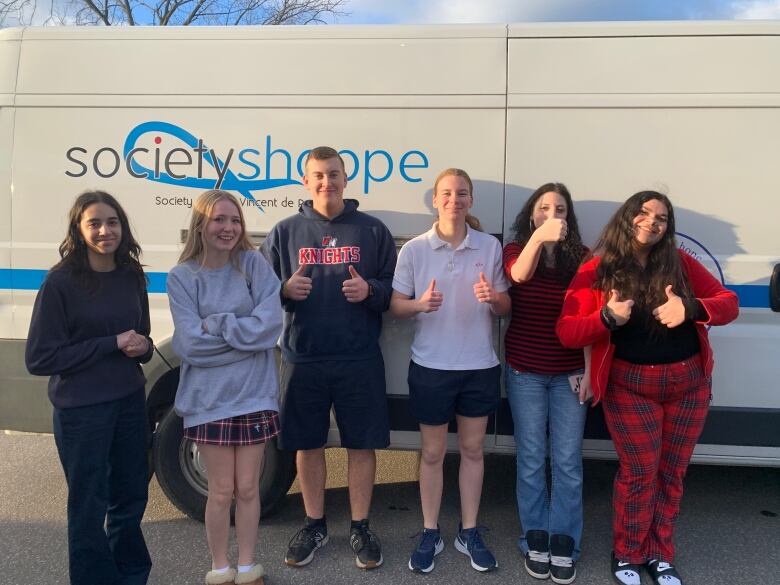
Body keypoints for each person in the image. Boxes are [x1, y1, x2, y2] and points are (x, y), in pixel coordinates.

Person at [556, 191, 739, 585]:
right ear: (627, 217)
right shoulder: (598, 268)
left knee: (671, 474)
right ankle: (627, 552)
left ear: (667, 227)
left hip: (688, 383)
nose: (651, 222)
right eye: (644, 213)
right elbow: (567, 330)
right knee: (640, 472)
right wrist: (606, 317)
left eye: (661, 217)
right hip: (631, 385)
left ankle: (659, 555)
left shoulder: (680, 263)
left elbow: (728, 303)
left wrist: (690, 308)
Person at [261, 146, 396, 570]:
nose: (326, 182)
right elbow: (260, 293)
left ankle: (360, 526)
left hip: (359, 357)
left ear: (345, 178)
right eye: (318, 175)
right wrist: (283, 292)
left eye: (333, 174)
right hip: (303, 357)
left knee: (361, 444)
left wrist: (370, 291)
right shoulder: (284, 232)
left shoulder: (372, 231)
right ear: (306, 181)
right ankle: (314, 523)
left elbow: (396, 289)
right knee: (306, 443)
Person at [25, 191, 153, 585]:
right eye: (94, 223)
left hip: (129, 403)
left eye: (112, 222)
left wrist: (143, 346)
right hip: (82, 412)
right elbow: (40, 358)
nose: (105, 231)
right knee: (87, 506)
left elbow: (143, 337)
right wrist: (110, 343)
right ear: (78, 231)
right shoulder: (60, 282)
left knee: (130, 498)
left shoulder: (131, 274)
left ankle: (132, 575)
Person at [390, 168, 510, 574]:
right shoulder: (415, 250)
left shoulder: (489, 247)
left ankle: (469, 531)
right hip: (431, 367)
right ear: (436, 200)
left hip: (478, 366)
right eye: (446, 193)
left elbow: (505, 306)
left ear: (470, 200)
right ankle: (430, 531)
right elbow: (395, 305)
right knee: (433, 453)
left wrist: (494, 298)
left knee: (474, 451)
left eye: (461, 193)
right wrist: (418, 305)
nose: (454, 200)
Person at [167, 189, 283, 585]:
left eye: (234, 220)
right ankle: (220, 567)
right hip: (208, 400)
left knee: (249, 488)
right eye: (219, 220)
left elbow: (269, 328)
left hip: (254, 395)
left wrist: (217, 324)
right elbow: (188, 345)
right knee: (220, 491)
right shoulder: (182, 277)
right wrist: (245, 339)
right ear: (201, 223)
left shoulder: (254, 264)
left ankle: (248, 566)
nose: (228, 228)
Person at [503, 183, 590, 584]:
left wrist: (590, 372)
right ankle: (534, 536)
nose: (553, 214)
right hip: (526, 372)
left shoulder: (583, 260)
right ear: (531, 214)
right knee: (532, 458)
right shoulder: (516, 251)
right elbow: (518, 278)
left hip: (571, 373)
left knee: (568, 461)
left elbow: (591, 322)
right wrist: (539, 238)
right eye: (544, 208)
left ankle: (565, 541)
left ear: (570, 218)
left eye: (560, 208)